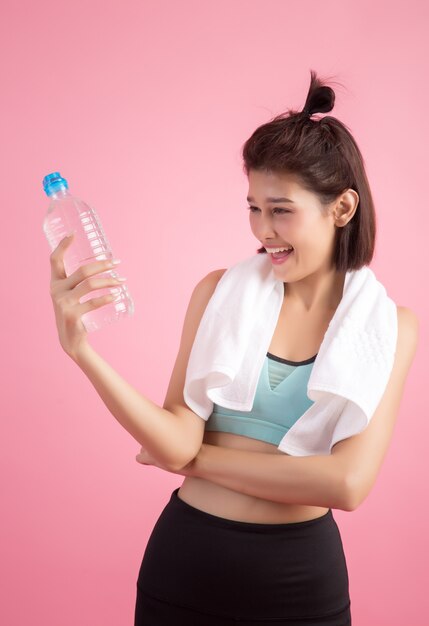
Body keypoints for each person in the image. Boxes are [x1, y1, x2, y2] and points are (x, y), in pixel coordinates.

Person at [49, 70, 419, 625]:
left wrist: (197, 460)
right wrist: (82, 352)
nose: (263, 230)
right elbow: (174, 436)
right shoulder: (218, 293)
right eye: (253, 207)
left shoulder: (390, 326)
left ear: (342, 209)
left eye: (281, 209)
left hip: (301, 585)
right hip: (185, 565)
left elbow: (346, 483)